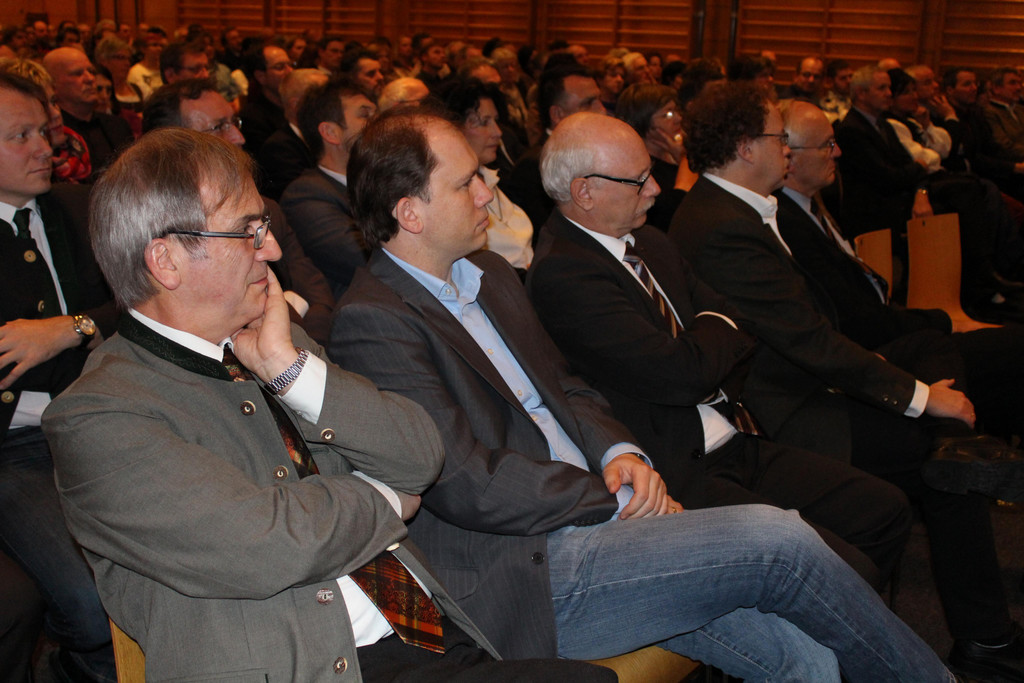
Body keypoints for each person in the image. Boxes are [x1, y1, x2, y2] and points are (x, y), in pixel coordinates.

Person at [328, 106, 957, 682]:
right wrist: (611, 496)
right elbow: (469, 483)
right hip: (526, 568)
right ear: (410, 213)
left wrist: (618, 452)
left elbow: (566, 386)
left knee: (806, 659)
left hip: (601, 527)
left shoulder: (487, 272)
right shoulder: (375, 321)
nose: (487, 193)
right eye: (466, 183)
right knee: (779, 542)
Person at [40, 126, 616, 683]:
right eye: (247, 231)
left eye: (265, 226)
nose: (271, 248)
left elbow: (421, 455)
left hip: (436, 636)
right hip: (318, 666)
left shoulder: (274, 342)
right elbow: (265, 544)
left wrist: (289, 370)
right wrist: (384, 498)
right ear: (166, 261)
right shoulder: (97, 415)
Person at [670, 81, 1024, 683]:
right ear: (744, 147)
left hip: (800, 384)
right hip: (786, 412)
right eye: (778, 138)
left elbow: (814, 331)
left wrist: (919, 398)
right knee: (948, 468)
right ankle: (985, 637)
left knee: (934, 379)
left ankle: (959, 454)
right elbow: (809, 343)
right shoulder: (722, 224)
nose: (787, 149)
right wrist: (922, 400)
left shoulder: (737, 209)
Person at [526, 111, 911, 588]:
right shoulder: (564, 273)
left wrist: (705, 344)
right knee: (842, 567)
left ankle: (828, 623)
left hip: (736, 435)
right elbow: (680, 374)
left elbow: (739, 323)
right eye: (639, 180)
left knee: (884, 509)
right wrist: (709, 338)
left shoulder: (650, 241)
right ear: (584, 191)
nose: (655, 189)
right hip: (681, 469)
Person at [0, 69, 117, 683]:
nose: (44, 148)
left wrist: (72, 327)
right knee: (91, 604)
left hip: (107, 416)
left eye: (43, 131)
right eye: (20, 136)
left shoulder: (78, 206)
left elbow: (144, 301)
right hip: (18, 447)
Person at [142, 78, 335, 346]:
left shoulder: (267, 209)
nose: (238, 138)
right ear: (174, 148)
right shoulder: (151, 231)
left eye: (234, 123)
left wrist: (300, 347)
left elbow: (317, 293)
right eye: (219, 127)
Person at [281, 77, 374, 300]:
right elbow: (370, 259)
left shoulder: (380, 181)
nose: (380, 123)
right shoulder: (305, 195)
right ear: (331, 133)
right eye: (365, 115)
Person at [439, 78, 534, 270]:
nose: (497, 132)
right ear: (453, 130)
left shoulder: (492, 177)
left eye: (495, 121)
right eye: (483, 123)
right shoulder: (449, 195)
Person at [43, 46, 133, 179]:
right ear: (53, 84)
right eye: (78, 73)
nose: (90, 79)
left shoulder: (118, 125)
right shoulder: (53, 132)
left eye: (91, 71)